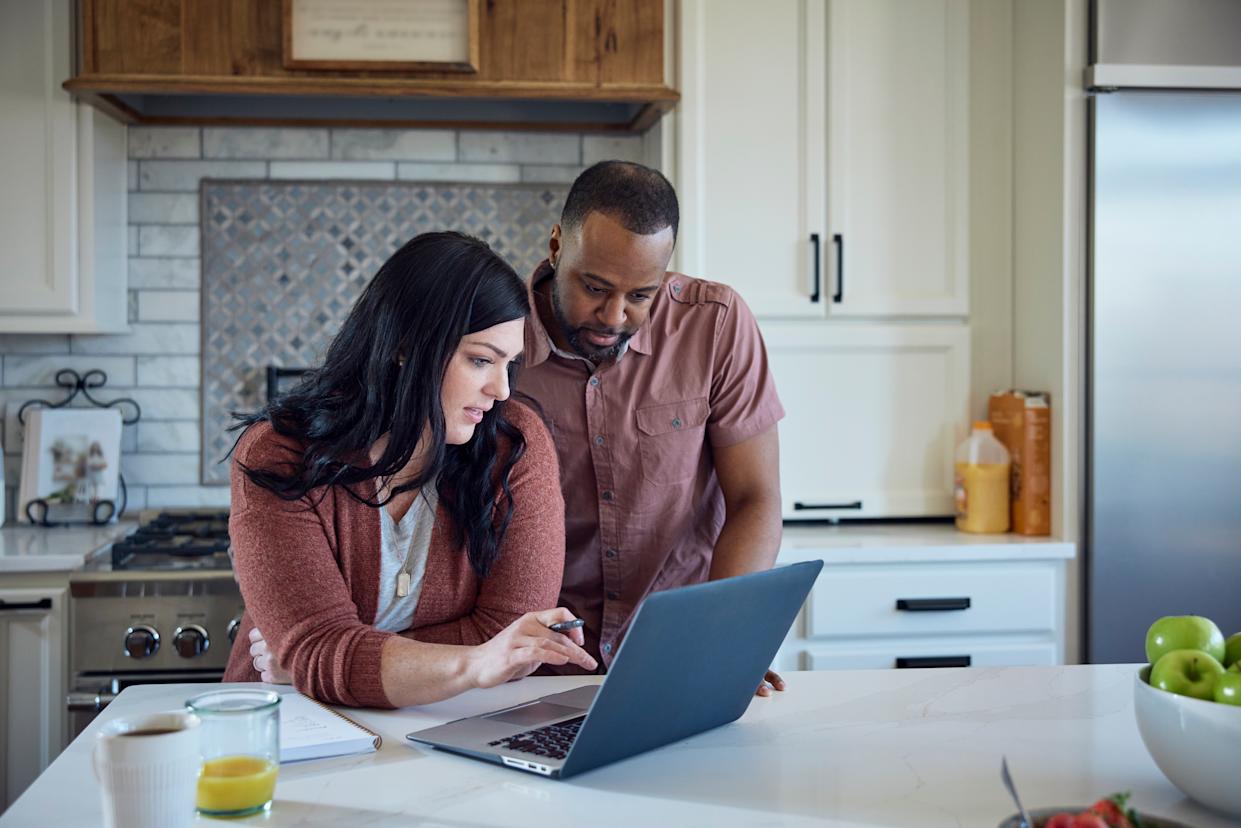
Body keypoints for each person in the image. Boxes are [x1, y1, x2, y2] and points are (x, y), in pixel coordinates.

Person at [223, 231, 596, 709]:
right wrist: (323, 655)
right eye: (481, 360)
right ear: (404, 344)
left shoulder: (515, 446)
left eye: (510, 364)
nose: (502, 390)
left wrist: (334, 658)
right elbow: (320, 649)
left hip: (450, 723)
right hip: (290, 729)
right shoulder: (278, 456)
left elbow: (511, 637)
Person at [519, 161, 787, 694]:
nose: (614, 315)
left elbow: (756, 497)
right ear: (556, 246)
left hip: (678, 656)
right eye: (594, 287)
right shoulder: (498, 339)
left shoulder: (716, 323)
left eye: (641, 295)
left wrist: (726, 636)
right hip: (535, 666)